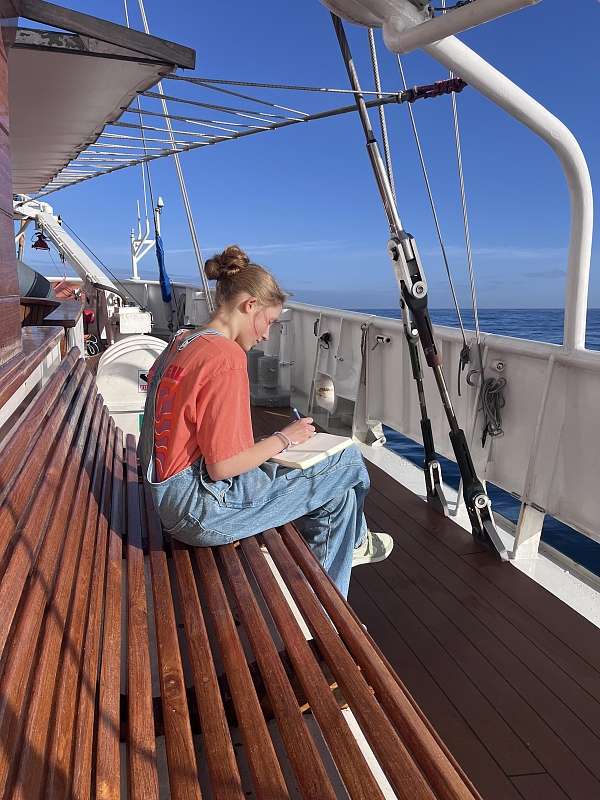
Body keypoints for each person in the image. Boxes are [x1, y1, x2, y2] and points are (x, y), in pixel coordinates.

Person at [138, 245, 393, 598]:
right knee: (347, 460)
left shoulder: (182, 341)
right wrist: (284, 439)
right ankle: (359, 541)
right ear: (249, 306)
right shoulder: (225, 358)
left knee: (340, 499)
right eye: (269, 322)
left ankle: (327, 607)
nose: (266, 335)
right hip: (201, 510)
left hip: (166, 495)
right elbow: (224, 467)